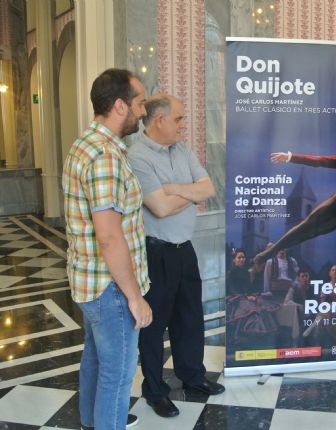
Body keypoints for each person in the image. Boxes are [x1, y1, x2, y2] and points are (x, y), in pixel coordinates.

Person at [62, 68, 152, 430]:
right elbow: (110, 237)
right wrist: (135, 297)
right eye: (140, 103)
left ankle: (91, 422)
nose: (143, 111)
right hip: (110, 288)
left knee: (96, 360)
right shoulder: (105, 156)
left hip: (91, 281)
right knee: (117, 374)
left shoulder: (87, 143)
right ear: (119, 105)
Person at [127, 94, 224, 419]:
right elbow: (160, 207)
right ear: (159, 120)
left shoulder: (182, 150)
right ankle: (155, 391)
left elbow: (208, 189)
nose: (184, 125)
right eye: (179, 119)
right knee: (153, 326)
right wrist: (188, 191)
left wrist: (173, 188)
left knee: (190, 318)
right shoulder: (137, 156)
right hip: (156, 252)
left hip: (185, 248)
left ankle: (193, 377)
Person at [253, 100, 336, 263]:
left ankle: (273, 251)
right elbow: (317, 161)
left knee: (312, 233)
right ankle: (268, 253)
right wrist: (290, 157)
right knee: (304, 227)